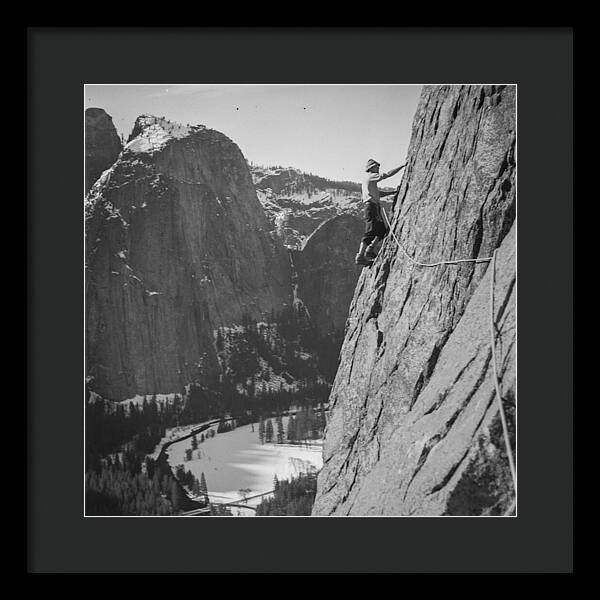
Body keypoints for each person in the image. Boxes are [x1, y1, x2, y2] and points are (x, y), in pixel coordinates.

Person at [355, 158, 407, 265]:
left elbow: (378, 193)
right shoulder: (371, 176)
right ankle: (360, 256)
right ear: (371, 168)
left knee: (382, 230)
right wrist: (402, 166)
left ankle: (370, 250)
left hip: (372, 207)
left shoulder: (367, 181)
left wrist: (392, 192)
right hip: (371, 207)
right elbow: (386, 175)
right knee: (370, 231)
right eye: (376, 167)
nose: (378, 168)